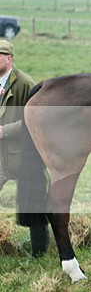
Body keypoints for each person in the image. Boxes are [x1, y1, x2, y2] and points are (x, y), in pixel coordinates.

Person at [0, 40, 49, 256]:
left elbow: (36, 119)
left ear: (9, 58)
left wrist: (5, 131)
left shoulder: (26, 84)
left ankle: (39, 251)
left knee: (33, 202)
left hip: (23, 156)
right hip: (1, 158)